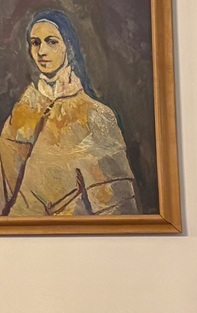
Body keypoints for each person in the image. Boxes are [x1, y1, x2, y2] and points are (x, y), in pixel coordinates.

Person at [0, 9, 138, 216]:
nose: (42, 51)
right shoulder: (21, 113)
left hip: (69, 234)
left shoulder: (95, 115)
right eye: (35, 42)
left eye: (52, 42)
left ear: (69, 46)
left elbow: (118, 209)